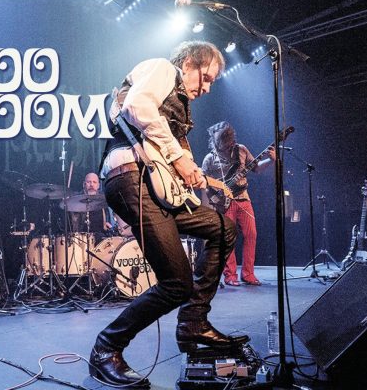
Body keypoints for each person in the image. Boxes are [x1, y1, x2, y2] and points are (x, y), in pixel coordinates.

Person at [89, 41, 249, 388]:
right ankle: (106, 349)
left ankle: (194, 322)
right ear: (189, 62)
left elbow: (167, 155)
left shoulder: (180, 106)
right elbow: (136, 105)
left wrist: (197, 175)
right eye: (206, 77)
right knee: (177, 283)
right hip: (132, 178)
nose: (207, 88)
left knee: (223, 228)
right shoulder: (162, 68)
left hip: (157, 187)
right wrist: (178, 157)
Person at [201, 122, 275, 286]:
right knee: (229, 238)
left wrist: (270, 160)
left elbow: (256, 168)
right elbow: (202, 181)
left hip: (243, 198)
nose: (227, 146)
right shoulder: (209, 159)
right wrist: (214, 197)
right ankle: (230, 275)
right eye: (223, 143)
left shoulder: (241, 150)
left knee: (251, 234)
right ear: (215, 141)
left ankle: (248, 274)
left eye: (229, 142)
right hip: (223, 203)